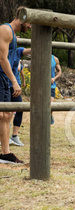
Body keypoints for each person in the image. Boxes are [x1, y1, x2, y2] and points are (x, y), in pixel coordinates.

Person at [0, 7, 31, 164]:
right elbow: (2, 59)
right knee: (2, 114)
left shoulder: (14, 36)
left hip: (4, 78)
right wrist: (14, 81)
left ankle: (5, 153)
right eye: (30, 22)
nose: (30, 26)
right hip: (2, 76)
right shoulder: (5, 29)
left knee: (6, 115)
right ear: (23, 18)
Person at [9, 47, 31, 146]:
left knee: (19, 109)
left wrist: (41, 40)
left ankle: (14, 136)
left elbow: (29, 50)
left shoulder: (17, 50)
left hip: (15, 86)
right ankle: (3, 136)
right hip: (4, 84)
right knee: (5, 113)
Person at [50, 54, 62, 125]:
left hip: (51, 85)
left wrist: (54, 78)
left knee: (51, 103)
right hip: (41, 85)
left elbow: (59, 71)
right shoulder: (39, 56)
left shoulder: (55, 59)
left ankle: (50, 116)